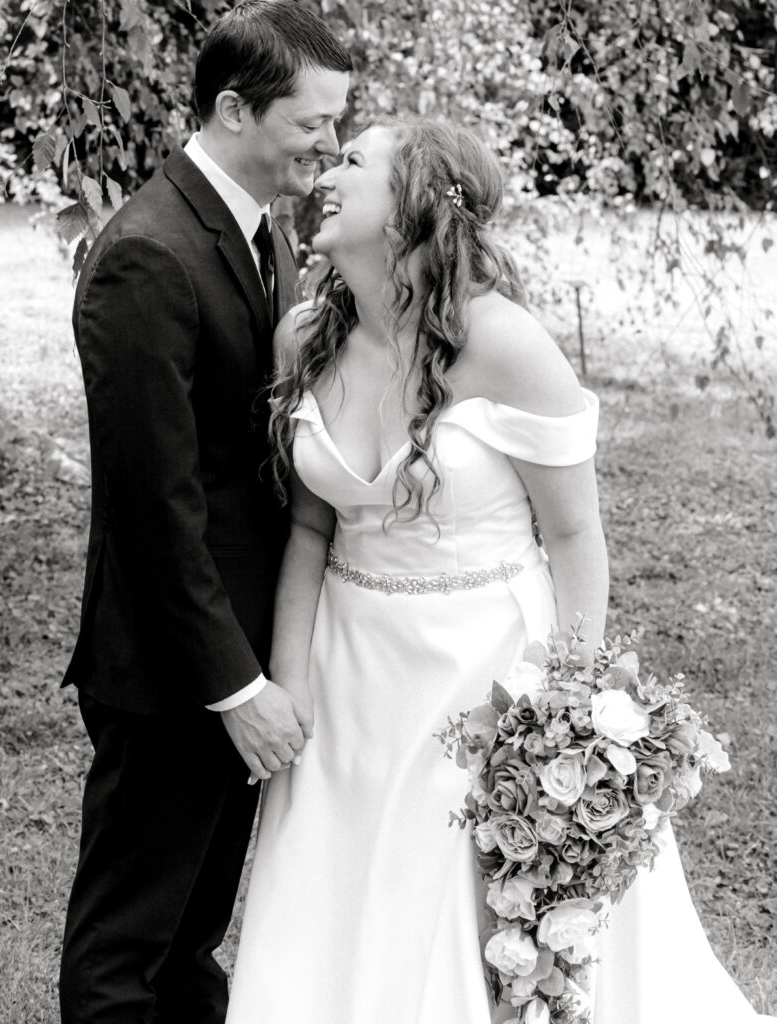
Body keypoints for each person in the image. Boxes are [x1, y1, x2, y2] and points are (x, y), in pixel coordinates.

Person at [225, 117, 776, 1023]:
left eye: (352, 161)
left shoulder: (505, 344)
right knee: (341, 892)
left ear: (410, 204)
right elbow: (309, 529)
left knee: (476, 898)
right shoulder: (304, 338)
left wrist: (565, 714)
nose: (323, 174)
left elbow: (575, 535)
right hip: (349, 666)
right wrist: (291, 680)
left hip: (486, 673)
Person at [57, 4, 350, 1022]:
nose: (331, 142)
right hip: (174, 672)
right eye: (312, 121)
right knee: (128, 949)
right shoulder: (148, 253)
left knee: (190, 942)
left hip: (236, 649)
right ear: (233, 109)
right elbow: (154, 506)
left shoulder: (261, 229)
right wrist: (235, 687)